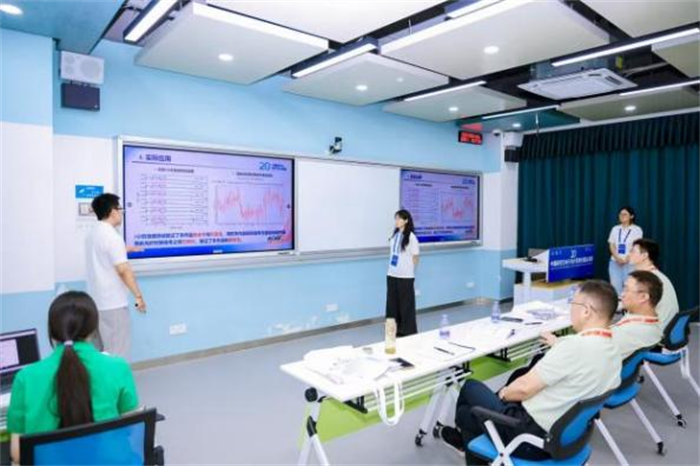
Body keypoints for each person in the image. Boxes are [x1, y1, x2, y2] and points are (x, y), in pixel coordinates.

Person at [440, 280, 622, 465]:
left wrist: (503, 395)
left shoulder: (573, 346)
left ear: (586, 311)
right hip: (568, 440)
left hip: (530, 438)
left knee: (470, 390)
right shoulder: (613, 351)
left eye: (573, 304)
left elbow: (523, 389)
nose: (570, 310)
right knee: (487, 401)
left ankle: (464, 438)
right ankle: (468, 438)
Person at [7, 291, 139, 463]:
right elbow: (131, 428)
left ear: (52, 332)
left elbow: (18, 453)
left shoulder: (25, 378)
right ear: (94, 330)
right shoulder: (118, 367)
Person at [86, 193, 146, 360]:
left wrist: (125, 249)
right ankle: (116, 379)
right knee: (118, 353)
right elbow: (123, 270)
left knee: (100, 351)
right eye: (120, 209)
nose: (121, 213)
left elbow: (103, 254)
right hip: (113, 305)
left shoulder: (93, 234)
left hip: (95, 302)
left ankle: (101, 378)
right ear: (113, 211)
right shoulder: (113, 237)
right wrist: (138, 297)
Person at [628, 238, 679, 330]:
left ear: (644, 256)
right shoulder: (656, 275)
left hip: (656, 330)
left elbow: (633, 308)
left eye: (633, 251)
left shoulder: (646, 280)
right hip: (668, 328)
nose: (629, 254)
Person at [614, 270, 664, 359]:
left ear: (643, 297)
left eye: (626, 290)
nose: (622, 294)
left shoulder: (627, 332)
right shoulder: (652, 322)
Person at [386, 209, 420, 337]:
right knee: (392, 304)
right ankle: (392, 330)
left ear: (406, 220)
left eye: (399, 218)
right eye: (395, 218)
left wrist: (410, 270)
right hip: (392, 274)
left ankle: (407, 331)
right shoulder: (395, 235)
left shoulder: (411, 237)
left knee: (406, 305)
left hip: (405, 276)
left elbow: (415, 257)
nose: (396, 221)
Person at [608, 206, 643, 296]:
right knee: (615, 289)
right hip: (615, 262)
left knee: (629, 288)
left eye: (625, 214)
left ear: (631, 216)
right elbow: (611, 244)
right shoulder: (615, 229)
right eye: (620, 214)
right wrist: (617, 258)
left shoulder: (637, 230)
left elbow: (636, 246)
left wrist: (627, 258)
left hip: (630, 263)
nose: (622, 216)